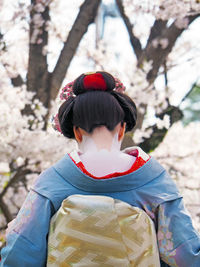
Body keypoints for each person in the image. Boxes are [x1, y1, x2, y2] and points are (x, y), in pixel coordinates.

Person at [0, 71, 200, 267]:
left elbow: (20, 254)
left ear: (77, 132)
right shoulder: (155, 181)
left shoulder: (51, 182)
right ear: (122, 128)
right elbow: (186, 256)